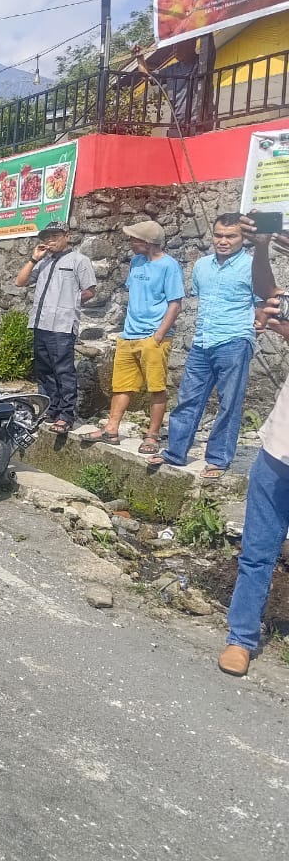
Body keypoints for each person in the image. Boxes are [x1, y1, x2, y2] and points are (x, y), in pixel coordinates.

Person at [219, 227, 289, 677]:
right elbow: (270, 292)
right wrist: (261, 246)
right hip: (279, 450)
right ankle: (241, 637)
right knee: (258, 549)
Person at [148, 213, 259, 480]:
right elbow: (200, 297)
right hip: (202, 342)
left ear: (242, 238)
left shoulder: (253, 267)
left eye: (230, 236)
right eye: (218, 235)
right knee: (188, 398)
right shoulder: (202, 266)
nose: (223, 241)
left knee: (228, 403)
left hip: (234, 341)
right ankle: (176, 451)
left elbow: (262, 304)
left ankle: (218, 459)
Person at [81, 219, 184, 450]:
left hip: (153, 337)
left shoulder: (169, 266)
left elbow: (175, 304)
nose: (130, 242)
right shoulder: (136, 262)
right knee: (122, 385)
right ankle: (111, 429)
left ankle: (153, 435)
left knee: (156, 387)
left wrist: (158, 336)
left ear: (147, 242)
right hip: (129, 335)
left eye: (134, 238)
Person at [14, 224, 97, 435]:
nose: (50, 240)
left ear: (66, 237)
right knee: (44, 371)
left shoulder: (79, 260)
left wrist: (69, 304)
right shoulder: (43, 263)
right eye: (47, 237)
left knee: (63, 370)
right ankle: (49, 409)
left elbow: (89, 291)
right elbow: (20, 281)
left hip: (62, 325)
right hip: (40, 323)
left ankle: (66, 415)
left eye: (55, 236)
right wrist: (34, 259)